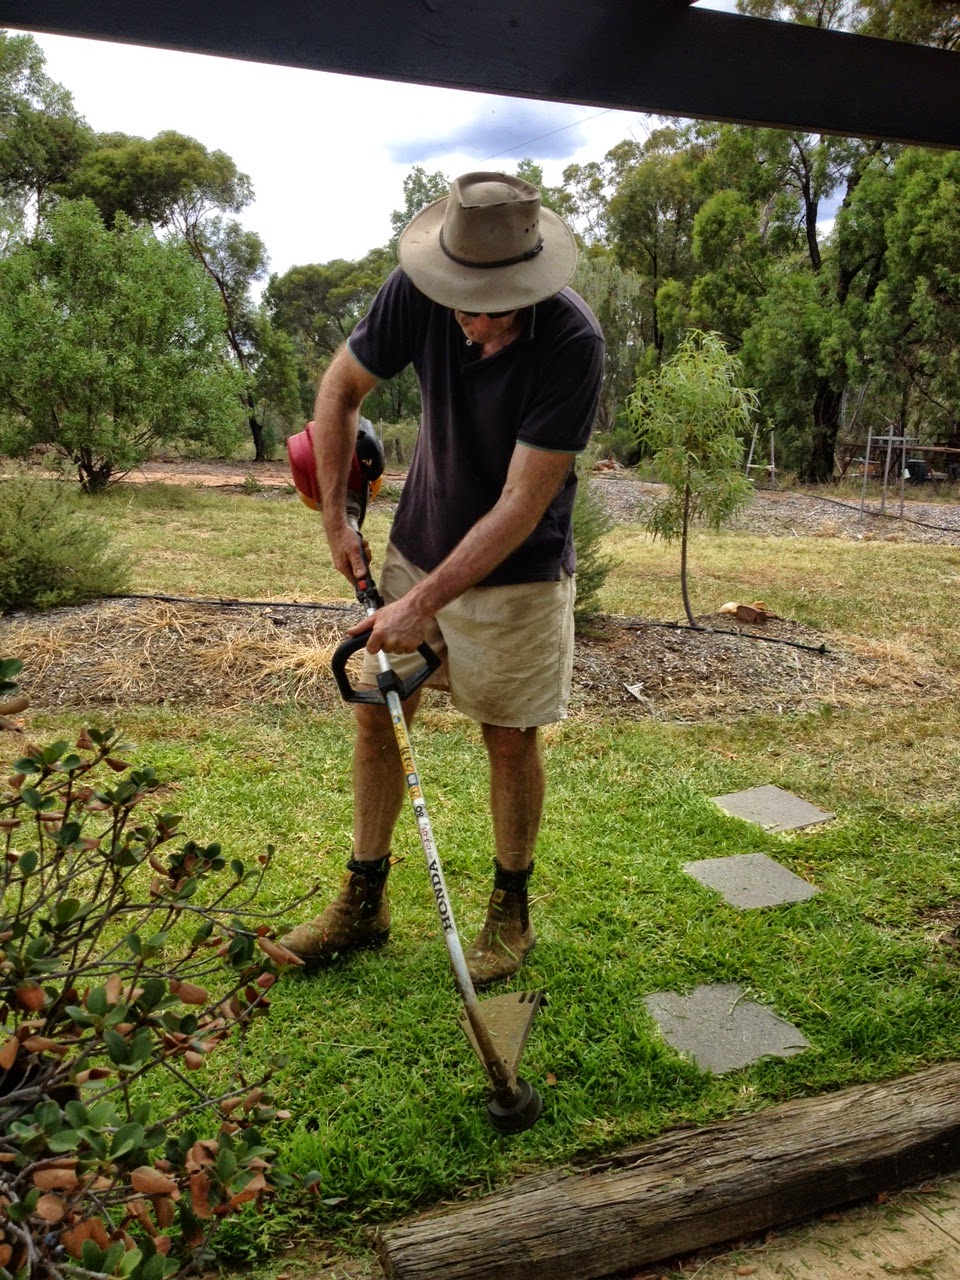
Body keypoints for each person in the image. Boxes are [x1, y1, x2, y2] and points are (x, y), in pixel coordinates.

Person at [280, 172, 604, 986]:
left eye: (496, 307)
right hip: (417, 546)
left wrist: (421, 604)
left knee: (508, 734)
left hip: (519, 578)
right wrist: (336, 519)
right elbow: (339, 388)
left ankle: (510, 908)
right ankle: (364, 899)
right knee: (380, 720)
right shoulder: (417, 292)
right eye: (463, 302)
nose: (475, 322)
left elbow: (522, 505)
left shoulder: (573, 342)